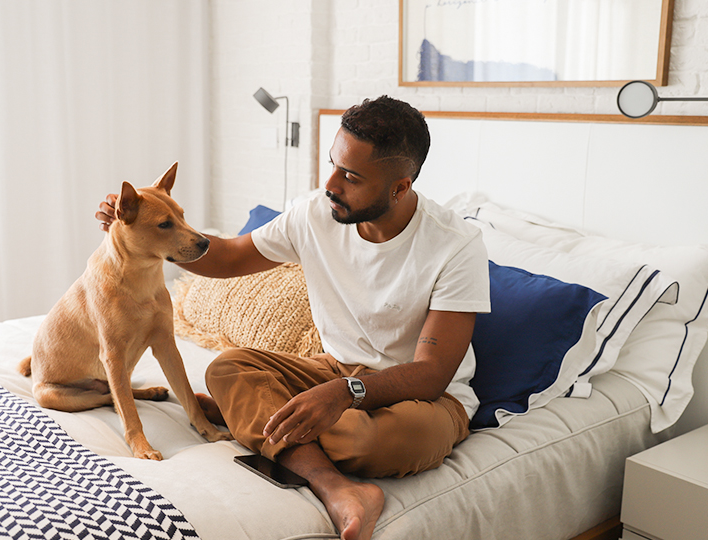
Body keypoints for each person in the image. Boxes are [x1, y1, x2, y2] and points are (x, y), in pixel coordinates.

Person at [96, 96, 491, 540]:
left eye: (351, 176)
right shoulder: (315, 215)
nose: (331, 184)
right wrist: (140, 231)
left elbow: (431, 373)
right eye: (334, 164)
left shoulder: (456, 246)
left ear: (399, 188)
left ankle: (260, 419)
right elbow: (226, 257)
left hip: (425, 397)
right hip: (332, 371)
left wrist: (344, 392)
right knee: (227, 369)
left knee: (368, 441)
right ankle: (337, 487)